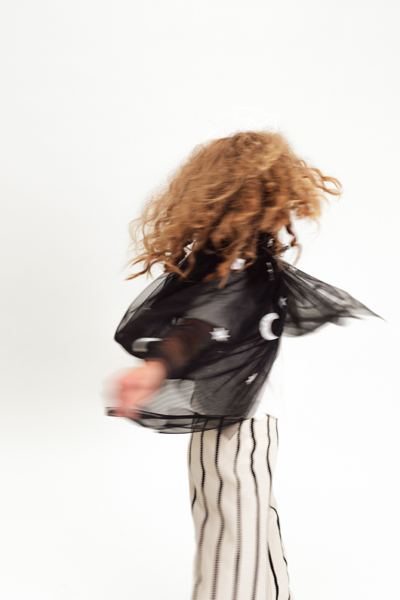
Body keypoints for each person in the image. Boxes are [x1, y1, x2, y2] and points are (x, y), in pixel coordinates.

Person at [106, 130, 383, 600]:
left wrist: (154, 369)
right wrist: (155, 368)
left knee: (243, 534)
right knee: (238, 535)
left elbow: (204, 322)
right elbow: (201, 325)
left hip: (239, 419)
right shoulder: (236, 264)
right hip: (235, 420)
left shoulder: (248, 262)